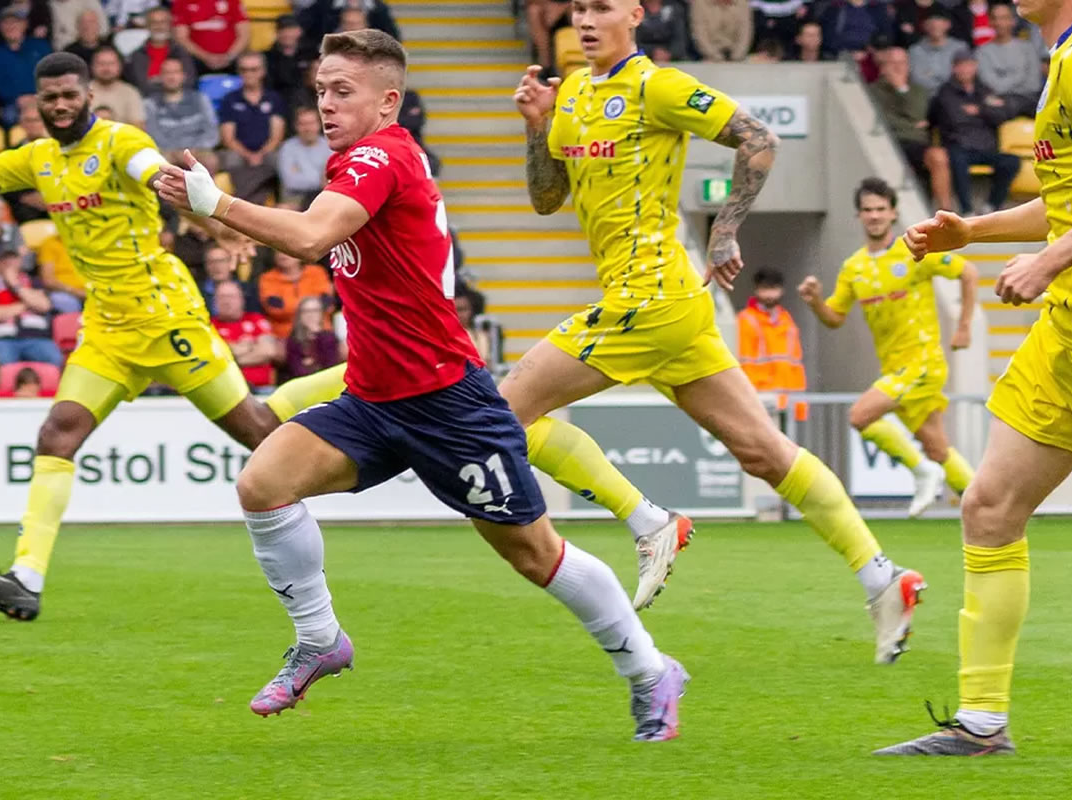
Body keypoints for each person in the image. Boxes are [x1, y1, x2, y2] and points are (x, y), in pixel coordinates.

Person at [156, 29, 684, 734]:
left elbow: (313, 240)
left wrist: (215, 203)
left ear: (388, 101)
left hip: (447, 404)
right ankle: (320, 640)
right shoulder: (356, 165)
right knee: (262, 484)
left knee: (537, 556)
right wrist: (218, 213)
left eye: (343, 90)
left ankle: (650, 671)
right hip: (374, 399)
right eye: (319, 90)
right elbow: (310, 232)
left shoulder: (381, 155)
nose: (325, 103)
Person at [0, 51, 348, 619]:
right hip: (106, 326)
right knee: (58, 433)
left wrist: (215, 225)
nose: (60, 105)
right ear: (38, 104)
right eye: (50, 97)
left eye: (69, 95)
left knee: (260, 433)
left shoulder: (119, 143)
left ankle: (363, 379)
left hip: (165, 316)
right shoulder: (38, 158)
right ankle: (26, 577)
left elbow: (158, 178)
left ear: (88, 96)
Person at [510, 0, 923, 650]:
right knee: (763, 452)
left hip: (646, 300)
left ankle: (648, 522)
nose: (585, 19)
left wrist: (726, 230)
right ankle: (882, 578)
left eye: (602, 7)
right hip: (670, 306)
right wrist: (537, 125)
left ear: (637, 14)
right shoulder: (573, 96)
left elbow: (760, 138)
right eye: (578, 8)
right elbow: (546, 198)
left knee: (501, 416)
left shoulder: (658, 86)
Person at [875, 0, 1072, 757]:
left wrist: (1050, 261)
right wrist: (976, 230)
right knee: (989, 507)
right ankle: (981, 725)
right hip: (1068, 332)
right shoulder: (1070, 55)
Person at [797, 177, 977, 517]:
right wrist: (816, 301)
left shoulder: (914, 251)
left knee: (860, 415)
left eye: (881, 209)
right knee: (938, 448)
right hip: (895, 369)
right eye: (867, 210)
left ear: (893, 213)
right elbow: (835, 317)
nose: (874, 216)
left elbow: (967, 272)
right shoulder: (854, 267)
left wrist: (964, 326)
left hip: (923, 363)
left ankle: (921, 472)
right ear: (859, 217)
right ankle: (985, 503)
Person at [929, 54, 1022, 214]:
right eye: (961, 65)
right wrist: (986, 111)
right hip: (960, 146)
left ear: (975, 67)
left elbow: (1001, 115)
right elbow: (954, 118)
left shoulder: (985, 89)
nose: (965, 69)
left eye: (969, 65)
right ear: (954, 68)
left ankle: (992, 206)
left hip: (986, 147)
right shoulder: (945, 92)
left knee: (1012, 161)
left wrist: (979, 110)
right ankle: (967, 210)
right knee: (957, 159)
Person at [872, 47, 956, 211]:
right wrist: (911, 123)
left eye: (902, 63)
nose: (898, 67)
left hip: (916, 143)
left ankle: (946, 212)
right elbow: (884, 122)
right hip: (887, 143)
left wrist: (901, 89)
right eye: (893, 63)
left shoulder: (918, 90)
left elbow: (916, 114)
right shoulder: (873, 90)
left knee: (939, 156)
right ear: (883, 67)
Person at [735, 269, 807, 420]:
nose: (769, 295)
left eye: (773, 289)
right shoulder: (746, 320)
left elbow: (795, 364)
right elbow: (744, 363)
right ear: (756, 290)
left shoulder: (787, 321)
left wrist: (800, 405)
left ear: (781, 290)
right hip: (760, 400)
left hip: (786, 402)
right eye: (765, 289)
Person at [217, 52, 287, 204]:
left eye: (254, 69)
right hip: (239, 151)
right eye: (244, 70)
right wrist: (249, 155)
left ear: (263, 71)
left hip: (268, 150)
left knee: (280, 159)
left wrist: (260, 154)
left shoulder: (274, 99)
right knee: (231, 159)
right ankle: (239, 204)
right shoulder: (230, 99)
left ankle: (282, 204)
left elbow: (277, 136)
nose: (249, 74)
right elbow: (228, 138)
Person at [0, 250, 62, 364]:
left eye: (13, 260)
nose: (10, 265)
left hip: (36, 337)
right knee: (2, 362)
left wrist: (15, 285)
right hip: (3, 339)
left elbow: (45, 306)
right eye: (6, 261)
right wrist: (28, 303)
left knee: (54, 359)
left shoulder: (33, 282)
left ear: (20, 262)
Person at [974, 2, 1043, 116]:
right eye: (995, 18)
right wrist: (1020, 74)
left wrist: (1006, 82)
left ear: (1013, 21)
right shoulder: (981, 52)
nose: (999, 23)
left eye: (1004, 18)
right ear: (990, 22)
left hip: (1029, 100)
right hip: (999, 104)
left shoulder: (1027, 48)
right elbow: (994, 86)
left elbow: (1034, 84)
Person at [145, 57, 221, 158]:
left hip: (199, 151)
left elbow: (211, 129)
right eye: (167, 73)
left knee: (210, 161)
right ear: (160, 77)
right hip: (167, 152)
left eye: (176, 72)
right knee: (159, 165)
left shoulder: (200, 98)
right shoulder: (150, 103)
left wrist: (194, 150)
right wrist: (175, 152)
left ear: (183, 76)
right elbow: (153, 134)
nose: (171, 77)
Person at [210, 280, 277, 387]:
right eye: (222, 297)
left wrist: (231, 355)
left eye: (231, 296)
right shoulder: (208, 326)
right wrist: (250, 348)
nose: (226, 301)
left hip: (261, 389)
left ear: (241, 299)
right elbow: (211, 359)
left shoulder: (256, 320)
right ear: (215, 301)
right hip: (223, 390)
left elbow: (268, 351)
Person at [0, 8, 54, 118]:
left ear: (25, 24)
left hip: (42, 99)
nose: (11, 26)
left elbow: (51, 75)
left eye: (15, 22)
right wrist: (16, 99)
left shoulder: (41, 46)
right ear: (0, 27)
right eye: (6, 23)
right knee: (9, 116)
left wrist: (37, 96)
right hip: (12, 103)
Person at [255, 249, 332, 338]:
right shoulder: (268, 279)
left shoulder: (317, 273)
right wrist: (310, 308)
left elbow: (327, 304)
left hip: (321, 331)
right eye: (278, 251)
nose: (282, 255)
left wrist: (290, 307)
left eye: (287, 251)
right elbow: (275, 309)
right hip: (284, 336)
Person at [173, 0, 249, 74]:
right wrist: (206, 57)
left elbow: (244, 34)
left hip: (231, 59)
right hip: (197, 61)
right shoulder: (182, 2)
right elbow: (182, 37)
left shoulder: (232, 1)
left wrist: (229, 57)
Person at [126, 6, 191, 93]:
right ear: (147, 26)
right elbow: (142, 86)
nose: (159, 26)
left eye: (163, 22)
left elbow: (189, 82)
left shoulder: (181, 52)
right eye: (154, 22)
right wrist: (170, 83)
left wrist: (156, 80)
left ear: (170, 25)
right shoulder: (138, 55)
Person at [280, 295, 343, 380]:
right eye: (306, 311)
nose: (311, 315)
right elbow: (297, 371)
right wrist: (315, 365)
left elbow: (330, 366)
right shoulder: (293, 340)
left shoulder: (329, 338)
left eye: (315, 311)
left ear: (321, 314)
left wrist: (318, 335)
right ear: (300, 315)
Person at [275, 107, 329, 206]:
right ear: (296, 126)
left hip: (324, 198)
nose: (308, 128)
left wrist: (302, 174)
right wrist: (321, 180)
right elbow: (290, 182)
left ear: (319, 124)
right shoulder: (287, 148)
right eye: (303, 124)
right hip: (296, 199)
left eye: (311, 123)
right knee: (282, 208)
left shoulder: (330, 146)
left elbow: (337, 180)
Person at [909, 10, 971, 91]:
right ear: (924, 26)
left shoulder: (960, 47)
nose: (935, 28)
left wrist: (930, 74)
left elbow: (965, 75)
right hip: (926, 96)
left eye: (939, 25)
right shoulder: (915, 50)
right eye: (931, 25)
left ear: (948, 25)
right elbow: (917, 78)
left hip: (956, 95)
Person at [86, 48, 144, 129]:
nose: (106, 68)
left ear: (120, 67)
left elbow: (138, 128)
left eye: (111, 64)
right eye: (101, 64)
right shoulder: (82, 91)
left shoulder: (130, 92)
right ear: (92, 67)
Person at [690, 0, 755, 61]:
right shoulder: (699, 3)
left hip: (736, 55)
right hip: (707, 55)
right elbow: (700, 35)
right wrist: (716, 57)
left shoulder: (742, 3)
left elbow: (745, 34)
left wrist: (736, 57)